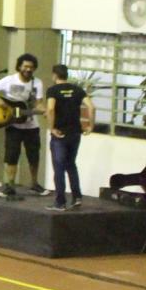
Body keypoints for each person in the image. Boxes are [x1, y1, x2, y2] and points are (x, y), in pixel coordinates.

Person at [0, 53, 46, 193]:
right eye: (25, 66)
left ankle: (34, 183)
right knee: (12, 156)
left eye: (31, 67)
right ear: (19, 66)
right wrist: (1, 103)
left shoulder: (37, 83)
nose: (28, 69)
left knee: (34, 156)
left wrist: (45, 111)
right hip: (13, 125)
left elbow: (38, 104)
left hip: (32, 126)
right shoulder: (9, 80)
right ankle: (10, 185)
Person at [44, 64, 94, 211]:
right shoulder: (77, 89)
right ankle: (77, 197)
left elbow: (51, 108)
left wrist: (51, 127)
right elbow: (91, 107)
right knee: (71, 164)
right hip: (75, 133)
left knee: (59, 168)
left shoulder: (53, 90)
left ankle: (60, 202)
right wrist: (91, 125)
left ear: (54, 75)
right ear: (66, 75)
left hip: (60, 134)